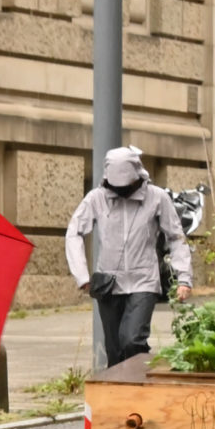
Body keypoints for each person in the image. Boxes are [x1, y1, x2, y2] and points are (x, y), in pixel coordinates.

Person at [64, 145, 193, 368]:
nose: (122, 192)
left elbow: (175, 236)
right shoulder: (97, 198)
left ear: (137, 176)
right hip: (109, 284)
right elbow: (73, 232)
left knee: (132, 340)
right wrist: (82, 276)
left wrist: (183, 278)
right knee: (114, 350)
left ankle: (139, 386)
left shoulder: (157, 197)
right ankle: (120, 398)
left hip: (143, 281)